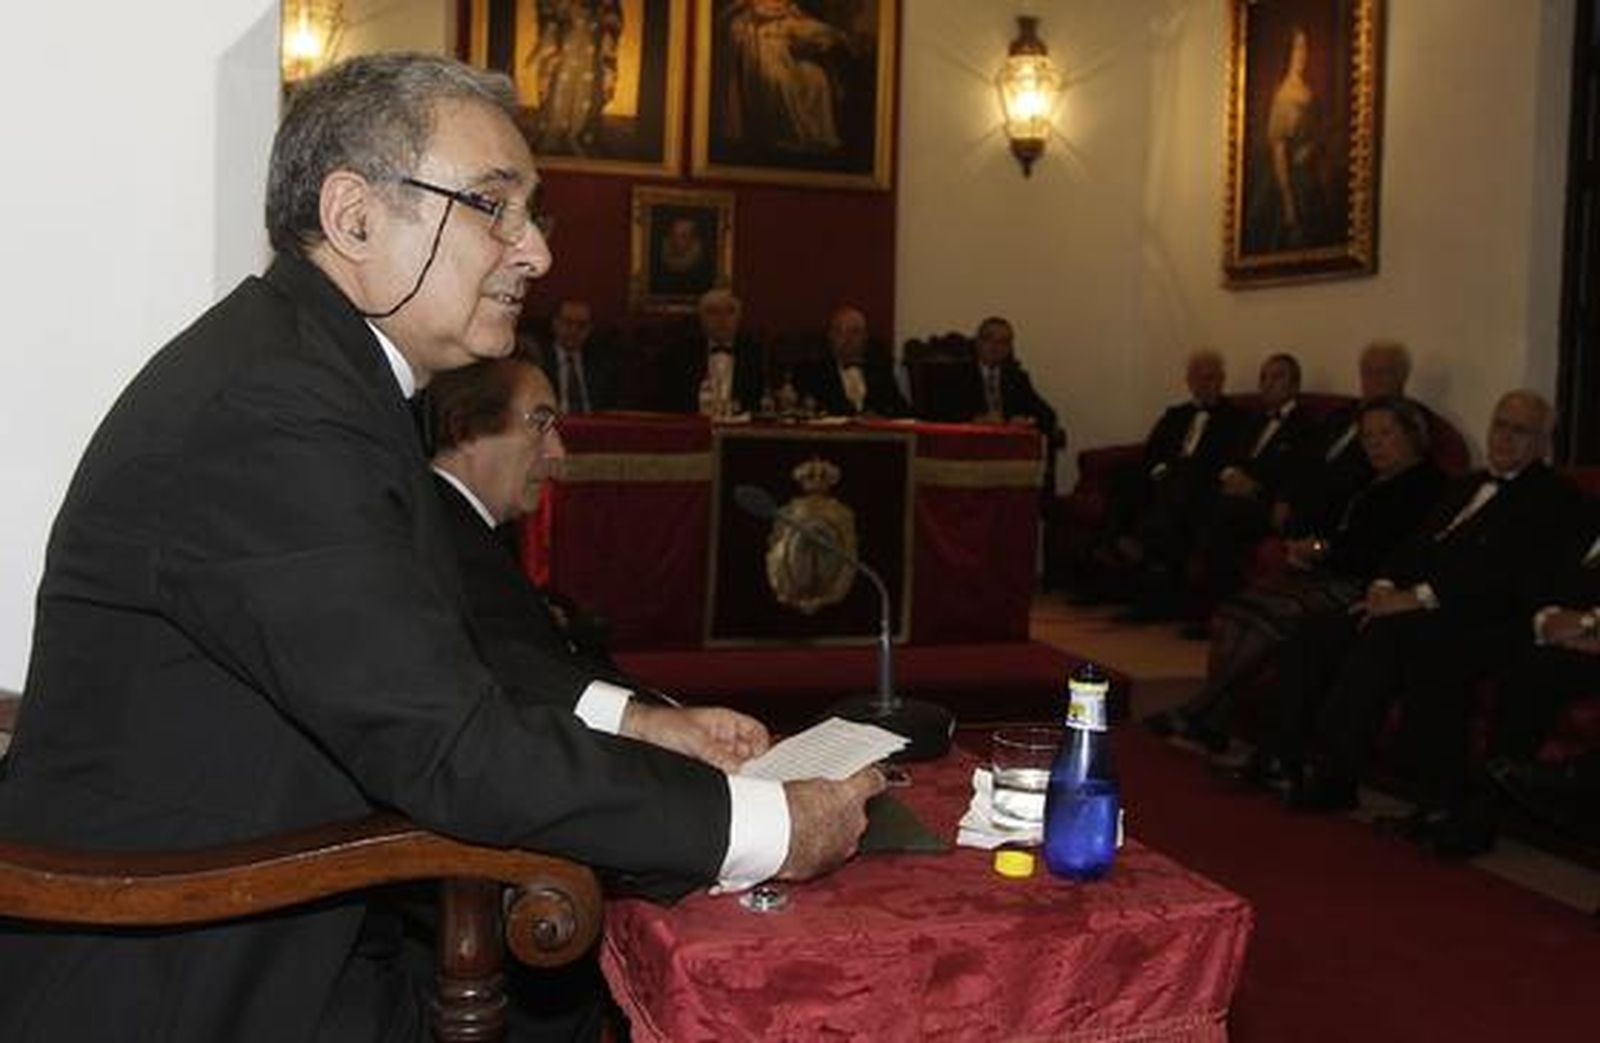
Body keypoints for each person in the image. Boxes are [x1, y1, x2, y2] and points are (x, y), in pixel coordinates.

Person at [0, 54, 882, 1043]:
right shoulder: (275, 409)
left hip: (297, 910)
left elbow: (429, 661)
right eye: (492, 206)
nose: (537, 252)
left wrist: (642, 725)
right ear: (354, 216)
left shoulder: (312, 370)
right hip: (189, 972)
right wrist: (764, 827)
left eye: (533, 212)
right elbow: (450, 744)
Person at [1289, 391, 1579, 814]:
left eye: (1521, 431)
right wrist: (1385, 584)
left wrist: (1417, 598)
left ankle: (1338, 775)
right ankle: (1287, 754)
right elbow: (1413, 546)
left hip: (1477, 612)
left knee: (1386, 635)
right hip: (1420, 602)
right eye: (1500, 425)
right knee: (1321, 627)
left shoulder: (1552, 497)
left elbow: (1504, 575)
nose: (1505, 438)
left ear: (1543, 442)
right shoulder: (1463, 485)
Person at [1147, 398, 1445, 773]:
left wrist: (1322, 550)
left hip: (1364, 585)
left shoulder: (1427, 486)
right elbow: (1340, 531)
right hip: (1331, 571)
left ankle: (1203, 709)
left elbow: (1382, 553)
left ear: (1413, 436)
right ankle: (1214, 717)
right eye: (1368, 436)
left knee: (1271, 617)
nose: (1375, 444)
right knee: (1238, 608)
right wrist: (1314, 548)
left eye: (1386, 434)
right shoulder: (1367, 479)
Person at [1103, 350, 1245, 619]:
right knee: (1124, 476)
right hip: (1165, 478)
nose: (1206, 384)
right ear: (1189, 381)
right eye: (1200, 378)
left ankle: (1144, 553)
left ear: (1223, 380)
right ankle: (1117, 540)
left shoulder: (1234, 417)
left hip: (1199, 485)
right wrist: (1158, 470)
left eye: (1213, 378)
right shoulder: (1175, 414)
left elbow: (1228, 460)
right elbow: (1152, 451)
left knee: (1183, 481)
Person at [1184, 352, 1317, 622]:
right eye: (1264, 377)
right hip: (1236, 494)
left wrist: (1256, 489)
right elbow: (1230, 456)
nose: (1267, 383)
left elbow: (1301, 473)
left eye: (1277, 377)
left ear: (1294, 386)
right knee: (1196, 498)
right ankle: (1175, 595)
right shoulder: (1253, 420)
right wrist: (1230, 475)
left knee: (1226, 514)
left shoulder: (1306, 426)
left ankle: (1212, 611)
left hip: (1267, 502)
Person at [1279, 339, 1417, 537]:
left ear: (1402, 377)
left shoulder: (1406, 421)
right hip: (1307, 496)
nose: (1372, 379)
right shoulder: (1341, 414)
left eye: (1382, 372)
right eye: (1367, 372)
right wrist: (1285, 497)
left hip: (1343, 502)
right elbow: (1307, 456)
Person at [1243, 25, 1335, 254]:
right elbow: (1279, 155)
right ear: (1288, 52)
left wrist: (1314, 147)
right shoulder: (1283, 97)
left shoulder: (1308, 90)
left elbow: (1316, 135)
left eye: (1305, 48)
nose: (1303, 54)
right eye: (1297, 48)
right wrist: (1289, 207)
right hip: (1296, 185)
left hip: (1313, 180)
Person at [724, 0, 848, 154]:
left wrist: (833, 34)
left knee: (816, 77)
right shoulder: (746, 11)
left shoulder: (789, 10)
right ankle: (786, 134)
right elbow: (730, 16)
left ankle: (815, 134)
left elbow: (804, 25)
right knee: (778, 79)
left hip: (785, 47)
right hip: (760, 46)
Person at [525, 0, 623, 155]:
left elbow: (611, 16)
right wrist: (553, 26)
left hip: (591, 44)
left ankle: (581, 132)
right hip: (565, 43)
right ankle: (557, 131)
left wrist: (607, 33)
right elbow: (548, 12)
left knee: (587, 89)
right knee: (560, 85)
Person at [656, 288, 766, 415]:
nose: (722, 319)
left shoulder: (756, 355)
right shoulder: (679, 355)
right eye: (713, 312)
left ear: (739, 317)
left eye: (730, 311)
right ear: (701, 319)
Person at [792, 304, 909, 418]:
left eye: (855, 332)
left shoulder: (880, 371)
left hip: (875, 435)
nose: (848, 339)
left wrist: (880, 417)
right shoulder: (813, 373)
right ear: (830, 337)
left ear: (865, 337)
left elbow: (901, 411)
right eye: (839, 332)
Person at [529, 298, 620, 414]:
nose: (574, 330)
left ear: (590, 329)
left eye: (582, 325)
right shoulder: (538, 358)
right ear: (555, 323)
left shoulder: (603, 361)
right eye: (568, 323)